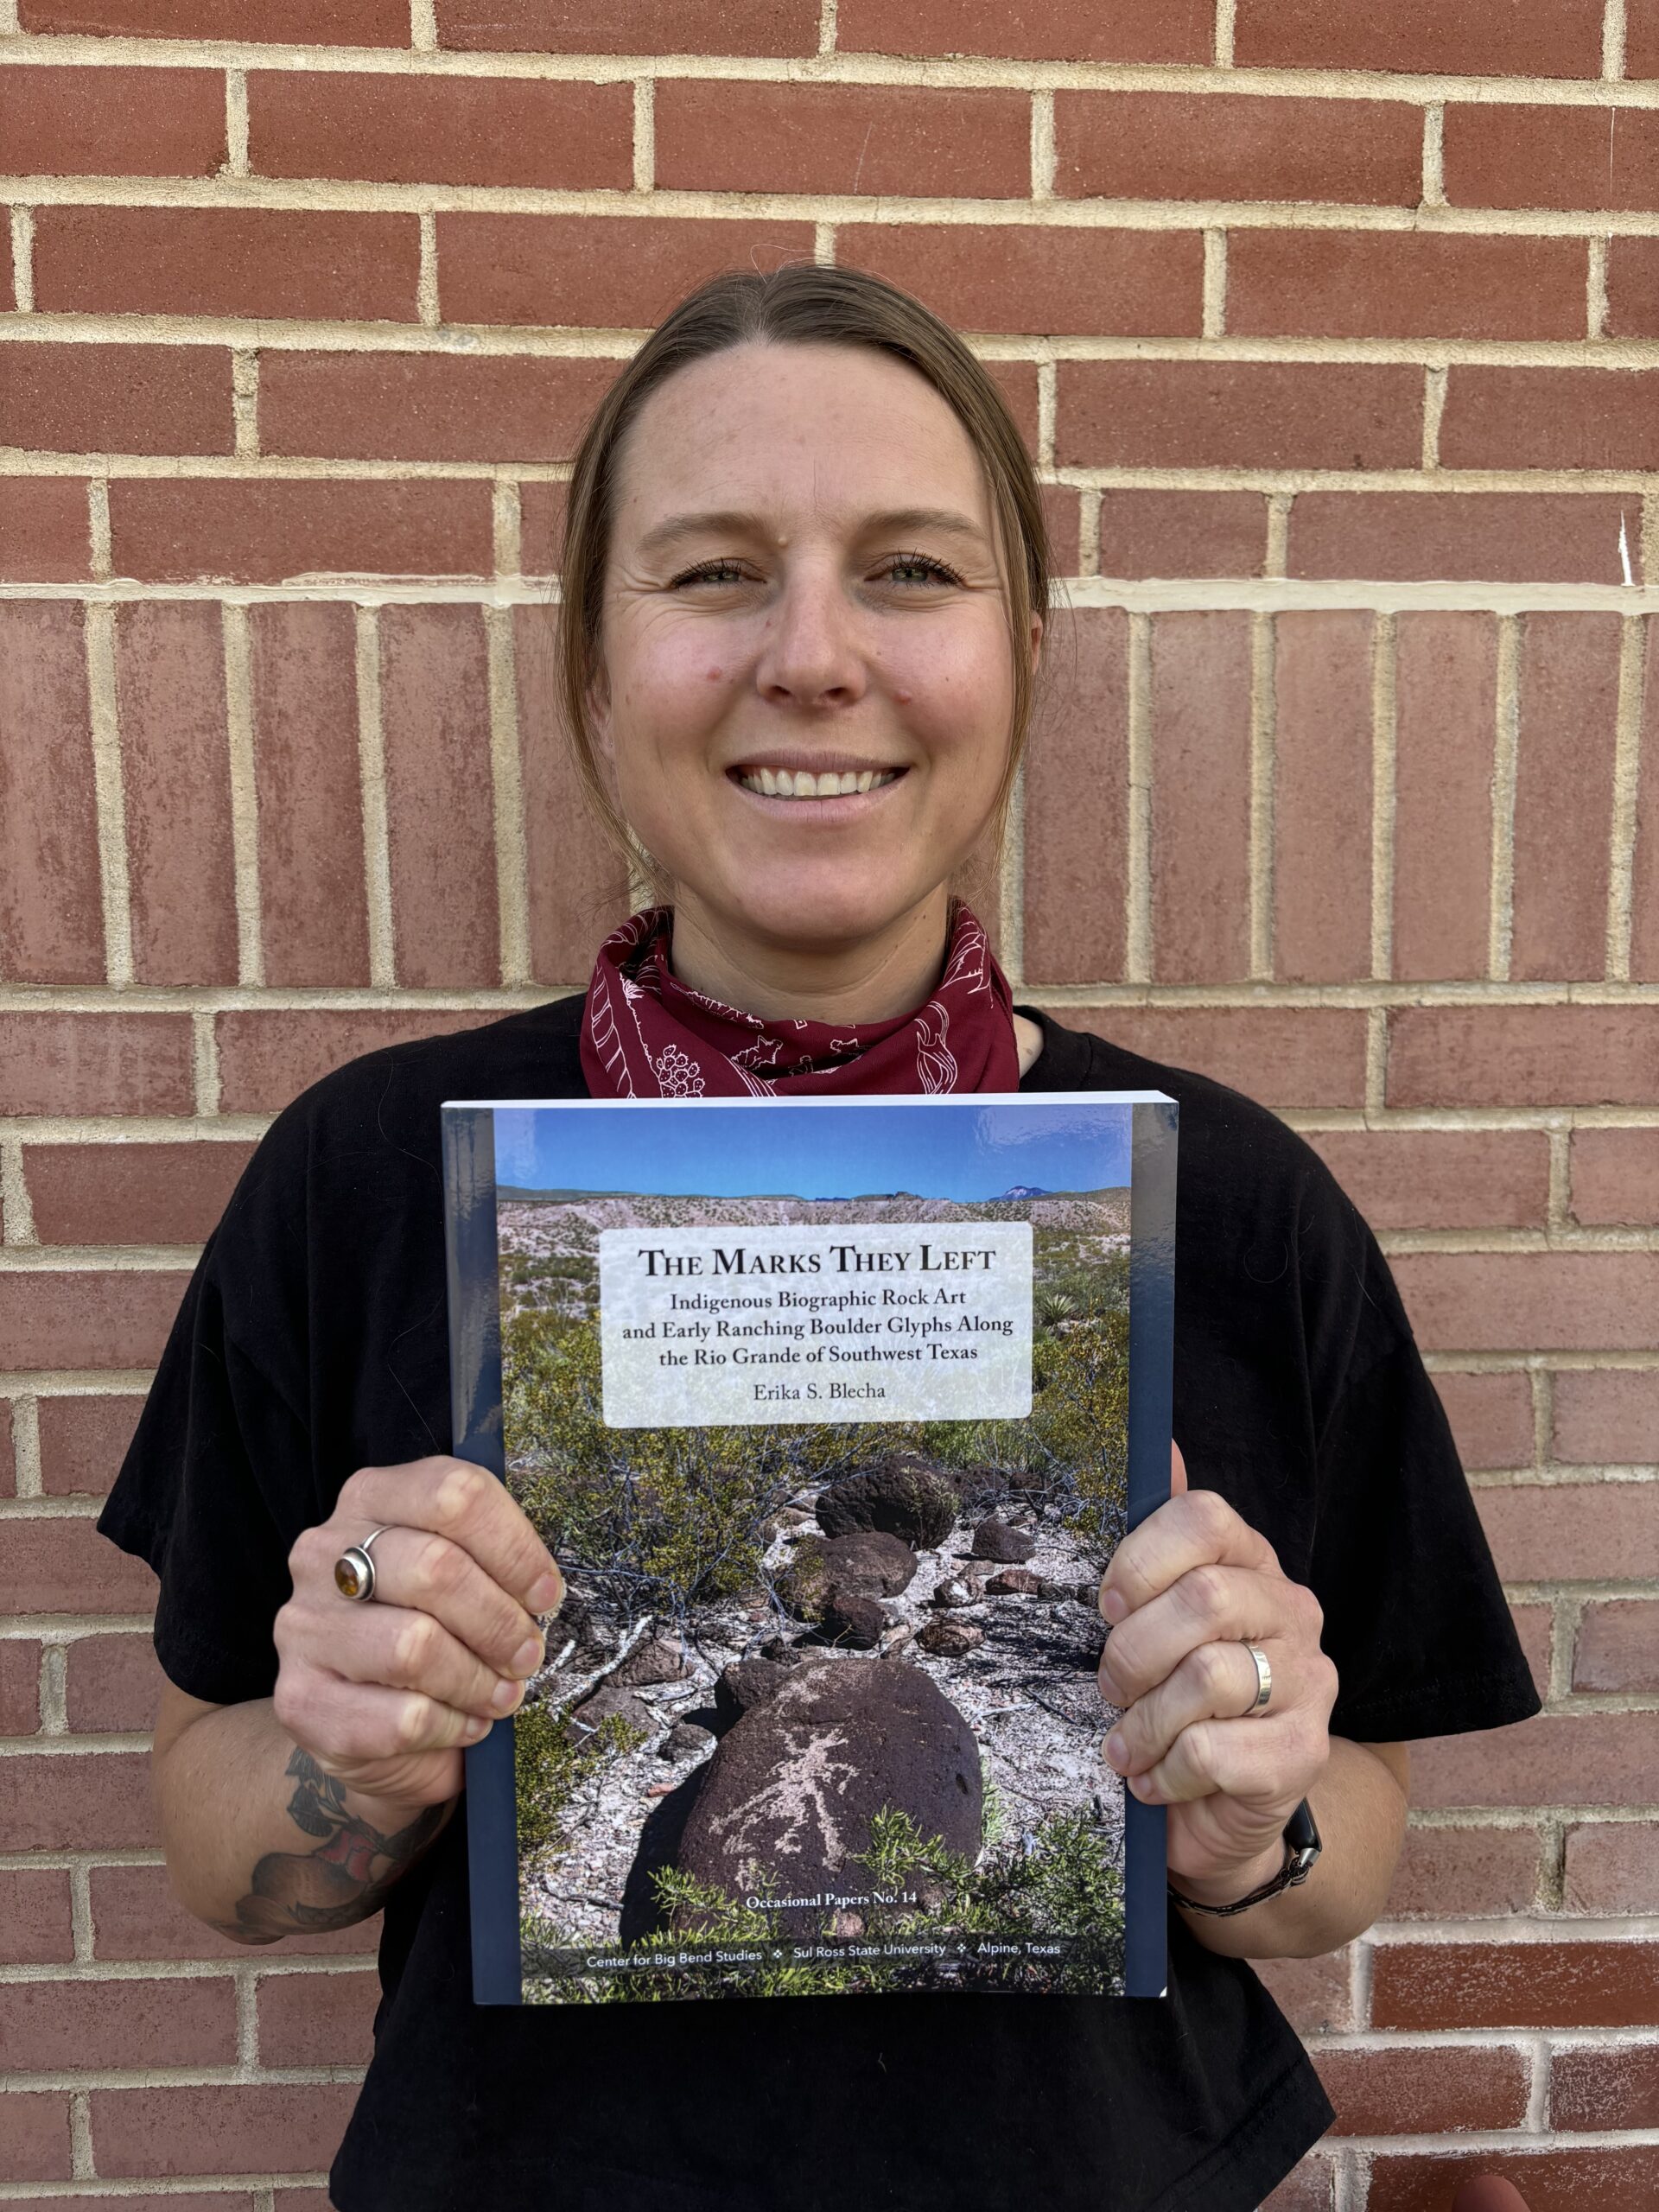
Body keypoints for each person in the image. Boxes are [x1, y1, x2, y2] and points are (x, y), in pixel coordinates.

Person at [98, 264, 1539, 2212]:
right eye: (709, 573)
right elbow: (215, 1846)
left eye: (911, 571)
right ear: (596, 665)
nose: (813, 654)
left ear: (1022, 651)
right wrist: (358, 1745)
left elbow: (1349, 1853)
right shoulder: (367, 1180)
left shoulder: (1237, 1200)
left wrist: (1251, 1806)